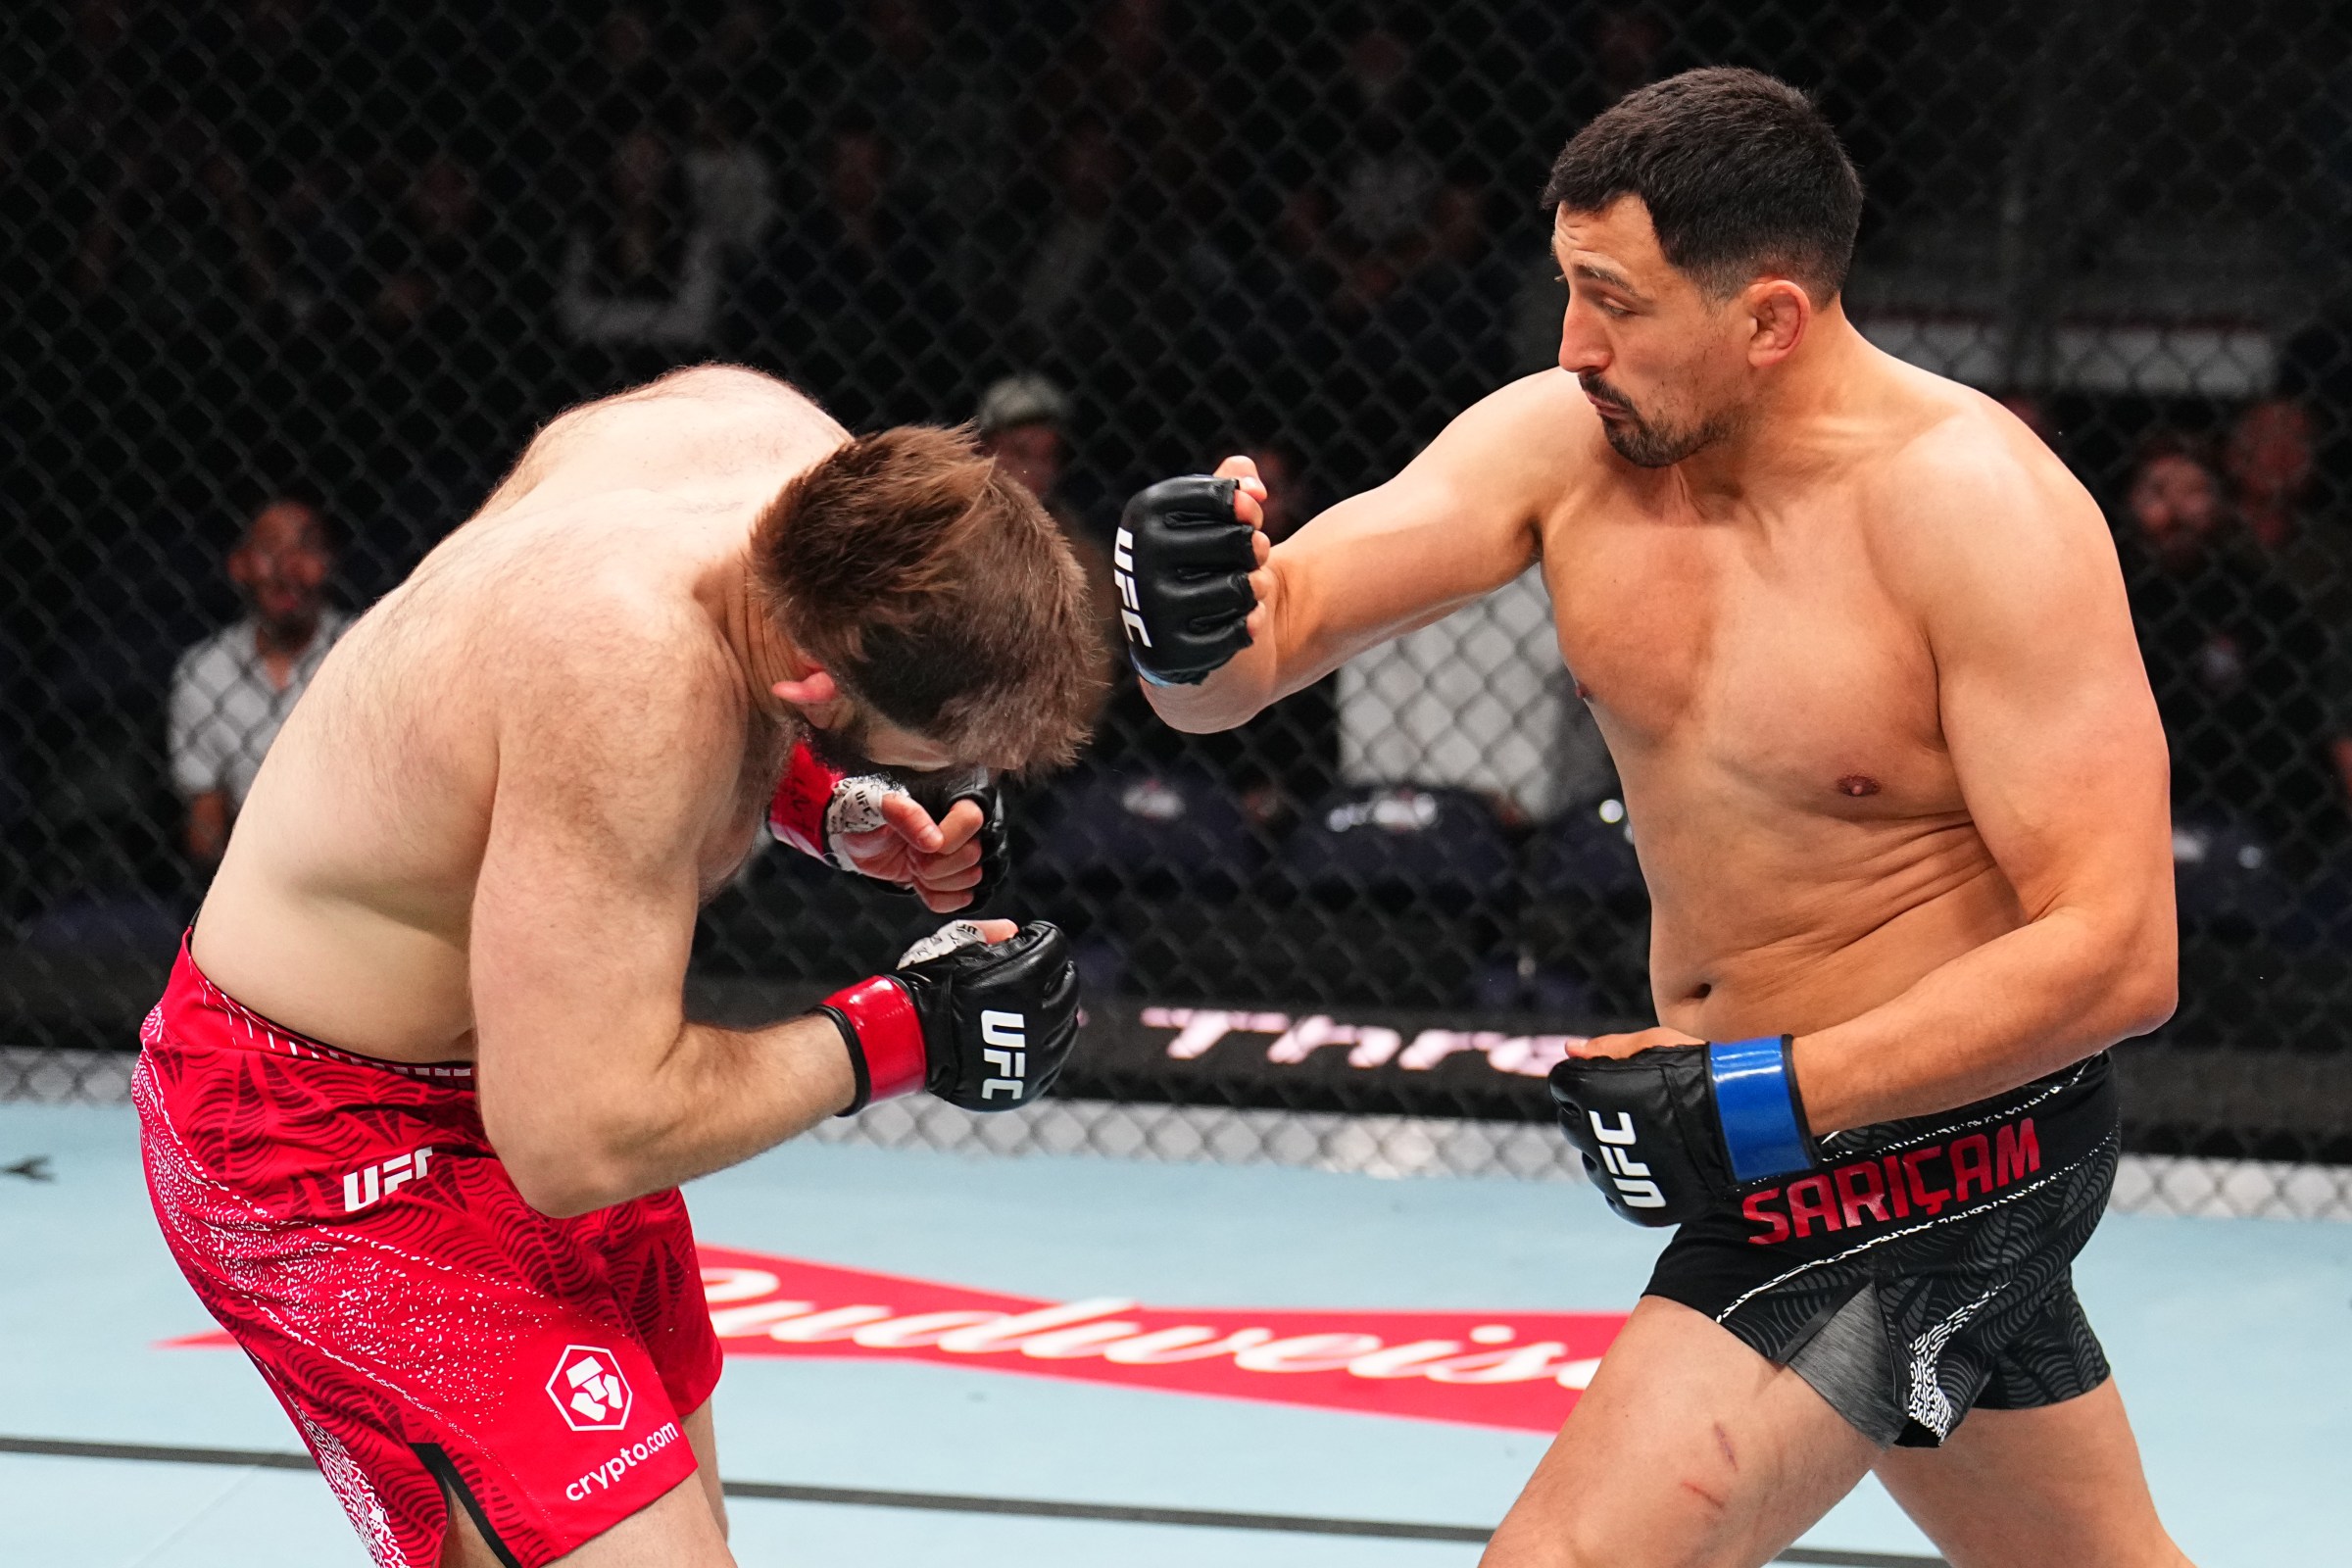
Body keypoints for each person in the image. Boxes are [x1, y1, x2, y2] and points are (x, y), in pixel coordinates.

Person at [1120, 70, 2189, 1566]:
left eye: (1613, 301)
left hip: (1939, 1144)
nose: (1573, 346)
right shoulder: (1571, 441)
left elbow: (2123, 954)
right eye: (1569, 288)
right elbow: (1255, 662)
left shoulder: (1980, 513)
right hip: (1787, 1126)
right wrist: (1189, 623)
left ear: (1769, 320)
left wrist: (1768, 1095)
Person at [135, 365, 1102, 1568]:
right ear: (817, 683)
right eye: (923, 754)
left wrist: (823, 798)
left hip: (530, 1040)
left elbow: (519, 688)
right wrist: (904, 1030)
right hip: (326, 1140)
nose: (938, 784)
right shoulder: (631, 678)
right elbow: (576, 1138)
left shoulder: (757, 433)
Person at [2119, 438, 2351, 856]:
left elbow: (2284, 725)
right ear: (2130, 501)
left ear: (2220, 503)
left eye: (2192, 493)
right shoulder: (2103, 591)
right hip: (2115, 788)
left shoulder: (2264, 603)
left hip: (2230, 808)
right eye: (2157, 491)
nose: (2173, 512)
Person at [169, 497, 348, 867]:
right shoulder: (204, 671)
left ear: (328, 563)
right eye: (270, 549)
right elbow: (207, 824)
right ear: (239, 565)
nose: (288, 568)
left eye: (306, 548)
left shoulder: (365, 651)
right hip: (249, 870)